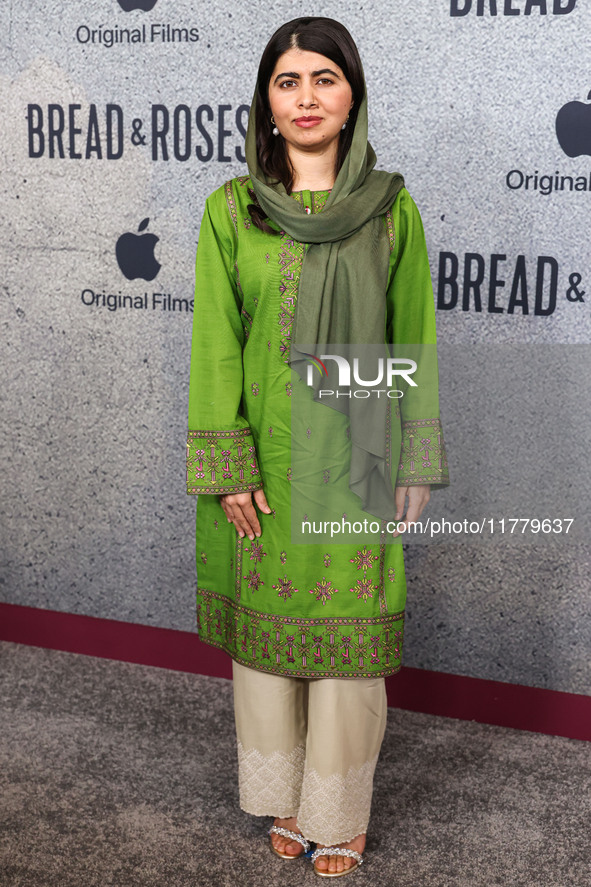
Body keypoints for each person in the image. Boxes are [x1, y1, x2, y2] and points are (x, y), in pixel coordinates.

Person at [187, 16, 449, 877]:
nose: (306, 98)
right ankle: (290, 800)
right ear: (266, 102)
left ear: (352, 97)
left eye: (323, 80)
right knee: (267, 646)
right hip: (265, 459)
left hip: (355, 461)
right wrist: (227, 465)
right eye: (287, 81)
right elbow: (216, 345)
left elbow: (411, 336)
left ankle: (341, 815)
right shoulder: (231, 212)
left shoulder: (389, 208)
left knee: (347, 650)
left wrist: (413, 456)